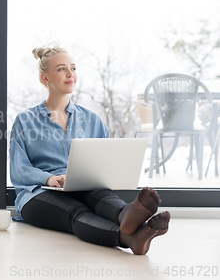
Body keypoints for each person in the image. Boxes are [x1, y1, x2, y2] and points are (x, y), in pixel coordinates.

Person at [9, 42, 170, 255]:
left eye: (73, 68)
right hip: (37, 193)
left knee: (104, 198)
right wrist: (49, 179)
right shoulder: (26, 120)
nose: (70, 74)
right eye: (61, 69)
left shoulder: (92, 119)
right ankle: (127, 237)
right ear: (44, 78)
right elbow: (18, 170)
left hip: (83, 187)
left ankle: (128, 214)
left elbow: (105, 160)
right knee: (77, 213)